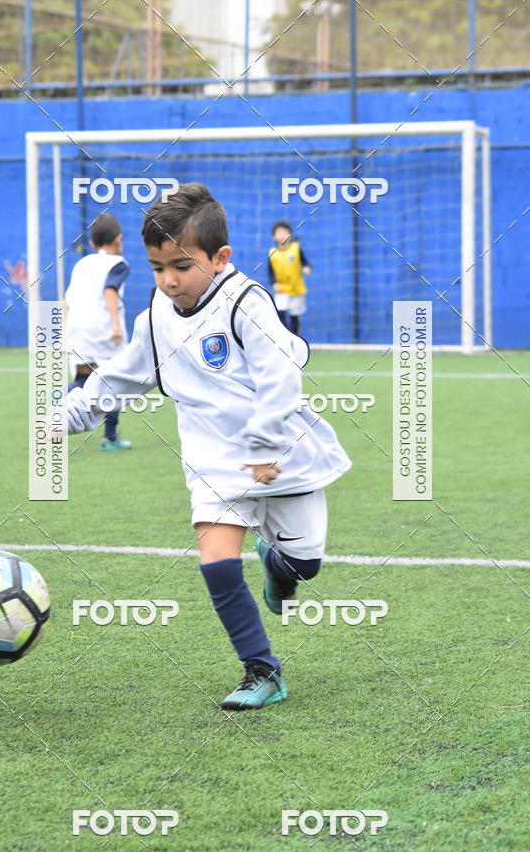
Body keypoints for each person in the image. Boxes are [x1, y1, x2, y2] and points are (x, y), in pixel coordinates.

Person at [65, 184, 351, 709]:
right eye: (157, 268)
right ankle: (262, 671)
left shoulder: (246, 303)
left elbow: (280, 376)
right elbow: (123, 374)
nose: (169, 280)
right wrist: (72, 413)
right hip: (213, 463)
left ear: (220, 258)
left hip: (279, 457)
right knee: (217, 563)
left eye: (181, 265)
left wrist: (265, 444)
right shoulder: (156, 315)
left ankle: (280, 566)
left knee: (303, 564)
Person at [65, 213, 132, 451]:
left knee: (83, 380)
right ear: (119, 239)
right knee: (113, 384)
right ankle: (110, 438)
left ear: (93, 244)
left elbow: (67, 298)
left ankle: (59, 400)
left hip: (78, 330)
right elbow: (110, 291)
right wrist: (116, 325)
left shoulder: (82, 264)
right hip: (103, 332)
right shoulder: (119, 263)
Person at [268, 221, 311, 337]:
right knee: (280, 311)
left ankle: (295, 336)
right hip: (282, 289)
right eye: (279, 233)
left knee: (294, 315)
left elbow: (304, 261)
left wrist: (306, 267)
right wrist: (273, 283)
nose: (282, 235)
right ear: (274, 236)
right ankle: (285, 335)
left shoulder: (296, 248)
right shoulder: (272, 253)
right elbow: (270, 272)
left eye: (285, 232)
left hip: (296, 288)